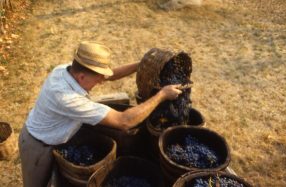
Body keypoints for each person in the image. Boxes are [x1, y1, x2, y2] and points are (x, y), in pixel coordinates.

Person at [18, 41, 183, 187]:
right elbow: (123, 121)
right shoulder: (67, 98)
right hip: (37, 146)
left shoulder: (66, 70)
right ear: (82, 76)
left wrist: (141, 64)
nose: (101, 82)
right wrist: (161, 95)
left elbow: (109, 75)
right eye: (98, 79)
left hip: (49, 136)